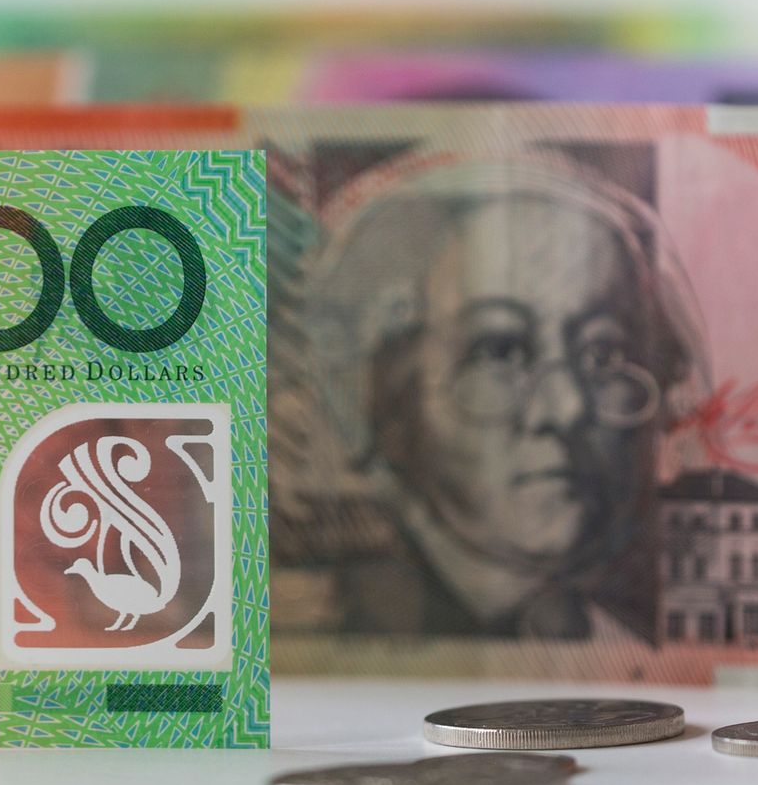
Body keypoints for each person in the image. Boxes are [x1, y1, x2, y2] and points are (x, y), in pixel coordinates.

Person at [291, 156, 704, 641]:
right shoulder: (313, 627)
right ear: (386, 395)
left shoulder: (617, 643)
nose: (567, 406)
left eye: (602, 353)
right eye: (500, 351)